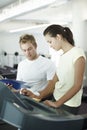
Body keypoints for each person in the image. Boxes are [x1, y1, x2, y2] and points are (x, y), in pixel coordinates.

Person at [42, 24, 86, 115]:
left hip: (68, 104)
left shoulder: (78, 54)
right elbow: (55, 80)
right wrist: (39, 95)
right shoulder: (62, 55)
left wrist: (57, 104)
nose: (50, 45)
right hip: (57, 97)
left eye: (50, 41)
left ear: (58, 37)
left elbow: (78, 85)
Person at [16, 34, 56, 100]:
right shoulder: (21, 64)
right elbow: (19, 86)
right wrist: (13, 89)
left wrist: (36, 96)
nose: (27, 53)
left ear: (35, 46)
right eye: (24, 50)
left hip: (41, 99)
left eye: (29, 49)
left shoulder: (48, 63)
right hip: (25, 98)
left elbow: (52, 87)